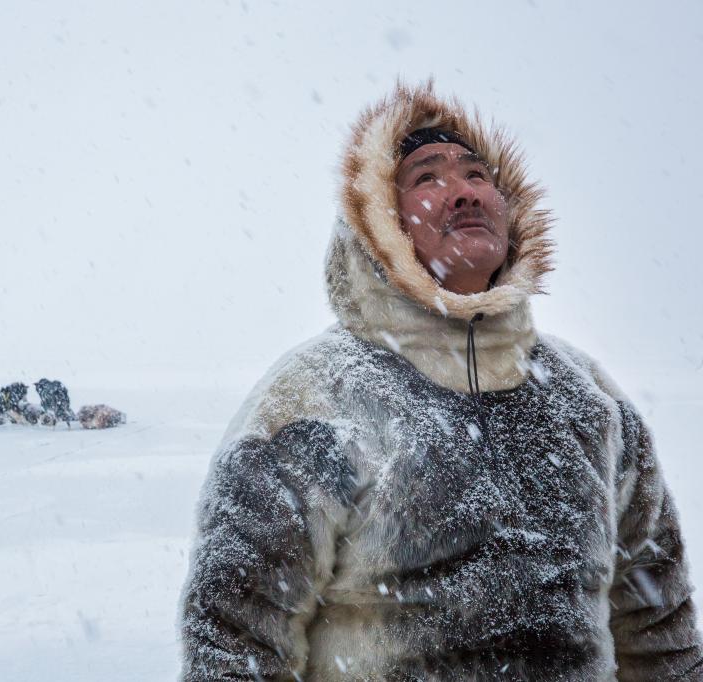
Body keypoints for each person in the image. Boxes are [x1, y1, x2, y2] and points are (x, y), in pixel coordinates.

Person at [179, 81, 703, 680]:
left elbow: (660, 630)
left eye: (477, 175)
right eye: (427, 178)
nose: (463, 193)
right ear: (381, 226)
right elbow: (235, 642)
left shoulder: (589, 399)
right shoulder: (315, 399)